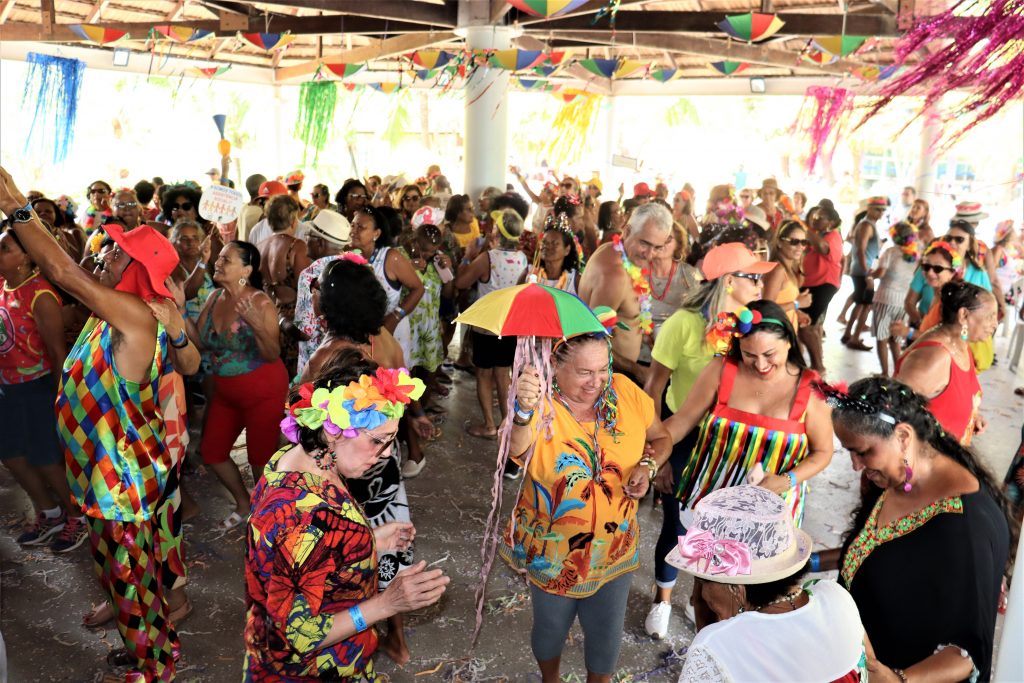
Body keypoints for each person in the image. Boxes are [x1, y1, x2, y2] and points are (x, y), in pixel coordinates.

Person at [1, 165, 201, 682]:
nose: (102, 251)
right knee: (132, 577)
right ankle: (155, 647)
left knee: (131, 583)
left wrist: (17, 207)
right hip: (109, 475)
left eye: (115, 250)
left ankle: (152, 669)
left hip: (124, 484)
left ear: (136, 267)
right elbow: (72, 268)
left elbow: (61, 272)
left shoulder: (133, 315)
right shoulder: (112, 311)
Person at [244, 352, 449, 681]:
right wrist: (387, 603)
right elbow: (298, 636)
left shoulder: (304, 459)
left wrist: (372, 541)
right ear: (335, 430)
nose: (384, 456)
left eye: (391, 443)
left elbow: (321, 553)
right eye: (378, 442)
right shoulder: (298, 519)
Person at [500, 325, 673, 682]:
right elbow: (516, 450)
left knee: (607, 636)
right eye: (583, 372)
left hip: (615, 546)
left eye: (602, 369)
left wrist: (648, 465)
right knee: (549, 630)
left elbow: (660, 435)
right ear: (554, 365)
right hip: (554, 553)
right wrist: (522, 410)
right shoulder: (540, 408)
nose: (596, 382)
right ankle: (551, 679)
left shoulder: (624, 391)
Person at [818, 376, 1013, 682]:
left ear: (904, 436)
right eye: (850, 453)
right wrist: (809, 561)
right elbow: (877, 547)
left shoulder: (964, 527)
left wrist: (898, 679)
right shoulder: (899, 478)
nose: (856, 465)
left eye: (864, 452)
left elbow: (967, 652)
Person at [642, 242, 774, 639]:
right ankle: (662, 599)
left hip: (732, 442)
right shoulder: (684, 324)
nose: (760, 283)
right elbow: (653, 386)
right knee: (678, 525)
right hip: (683, 434)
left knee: (720, 527)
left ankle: (699, 593)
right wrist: (658, 454)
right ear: (729, 281)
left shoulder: (753, 326)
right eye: (753, 277)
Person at [673, 486, 868, 682]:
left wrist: (707, 632)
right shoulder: (836, 597)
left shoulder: (715, 648)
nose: (702, 595)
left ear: (735, 589)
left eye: (701, 581)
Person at [190, 240, 288, 529]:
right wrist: (178, 313)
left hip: (263, 391)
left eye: (226, 259)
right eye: (219, 258)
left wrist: (257, 324)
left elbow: (272, 353)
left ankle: (269, 517)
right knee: (212, 452)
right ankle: (244, 503)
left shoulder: (259, 302)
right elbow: (201, 344)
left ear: (246, 269)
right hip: (225, 392)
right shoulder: (214, 298)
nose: (218, 263)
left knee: (260, 460)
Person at [0, 227, 79, 550]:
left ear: (27, 257)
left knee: (45, 458)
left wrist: (61, 399)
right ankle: (50, 511)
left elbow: (58, 352)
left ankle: (76, 516)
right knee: (11, 455)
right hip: (7, 388)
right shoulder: (3, 287)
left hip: (38, 387)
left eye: (5, 248)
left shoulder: (41, 294)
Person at [579, 202, 674, 383]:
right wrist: (636, 370)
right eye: (644, 243)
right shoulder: (615, 275)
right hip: (606, 379)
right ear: (627, 231)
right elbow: (591, 337)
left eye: (657, 247)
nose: (650, 254)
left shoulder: (618, 253)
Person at [455, 209, 528, 442]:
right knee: (503, 375)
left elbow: (461, 282)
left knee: (484, 375)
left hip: (487, 326)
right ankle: (507, 424)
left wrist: (468, 257)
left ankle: (488, 424)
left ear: (497, 232)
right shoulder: (523, 259)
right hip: (510, 326)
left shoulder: (488, 258)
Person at [895, 282, 997, 445]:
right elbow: (894, 416)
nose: (995, 324)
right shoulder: (933, 357)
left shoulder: (962, 345)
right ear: (963, 315)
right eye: (990, 316)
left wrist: (971, 416)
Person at [397, 222, 454, 477]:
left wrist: (447, 270)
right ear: (414, 239)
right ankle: (403, 426)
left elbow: (450, 293)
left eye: (432, 250)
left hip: (429, 329)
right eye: (423, 248)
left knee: (426, 375)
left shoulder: (438, 262)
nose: (427, 253)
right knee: (403, 380)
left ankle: (421, 415)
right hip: (406, 328)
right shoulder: (399, 256)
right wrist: (411, 267)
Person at [350, 206, 424, 359]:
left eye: (361, 227)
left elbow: (418, 289)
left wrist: (395, 317)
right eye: (353, 225)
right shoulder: (348, 254)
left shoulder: (390, 257)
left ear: (376, 233)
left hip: (391, 330)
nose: (354, 231)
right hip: (360, 333)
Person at [256, 194, 312, 377]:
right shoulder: (297, 247)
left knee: (277, 373)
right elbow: (307, 289)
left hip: (269, 316)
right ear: (293, 220)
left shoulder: (259, 247)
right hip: (294, 319)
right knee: (298, 375)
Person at [293, 210, 352, 374]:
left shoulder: (311, 275)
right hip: (350, 358)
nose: (305, 239)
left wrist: (281, 320)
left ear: (320, 242)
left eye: (309, 235)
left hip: (318, 363)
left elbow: (305, 332)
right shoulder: (359, 268)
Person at [798, 200, 843, 374]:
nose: (815, 219)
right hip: (810, 283)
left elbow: (824, 249)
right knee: (812, 326)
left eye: (820, 217)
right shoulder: (817, 234)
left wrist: (806, 230)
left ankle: (817, 366)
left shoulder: (832, 236)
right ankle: (816, 364)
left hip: (823, 283)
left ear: (831, 222)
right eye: (814, 216)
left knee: (806, 324)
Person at [870, 221, 920, 376]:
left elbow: (880, 273)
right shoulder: (915, 256)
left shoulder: (891, 251)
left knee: (882, 337)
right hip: (904, 303)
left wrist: (870, 274)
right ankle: (899, 373)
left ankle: (885, 372)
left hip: (886, 298)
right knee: (896, 339)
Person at [843, 197, 888, 351]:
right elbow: (860, 250)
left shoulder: (869, 225)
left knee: (861, 303)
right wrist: (868, 274)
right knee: (866, 304)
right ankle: (854, 337)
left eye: (882, 210)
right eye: (877, 209)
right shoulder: (866, 226)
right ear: (869, 209)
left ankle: (849, 334)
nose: (880, 213)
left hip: (862, 269)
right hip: (863, 270)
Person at [762, 219, 812, 331]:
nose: (800, 247)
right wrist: (797, 304)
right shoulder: (778, 270)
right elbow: (765, 310)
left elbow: (780, 302)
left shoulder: (788, 269)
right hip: (774, 336)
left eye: (803, 242)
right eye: (794, 242)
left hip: (784, 335)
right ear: (779, 242)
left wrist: (797, 312)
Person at [30, 196, 86, 260]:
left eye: (48, 211)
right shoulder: (26, 235)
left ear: (56, 214)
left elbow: (76, 259)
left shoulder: (66, 235)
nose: (43, 213)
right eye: (38, 212)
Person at [238, 173, 267, 241]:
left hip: (243, 249)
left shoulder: (243, 207)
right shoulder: (260, 213)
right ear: (262, 189)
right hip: (254, 250)